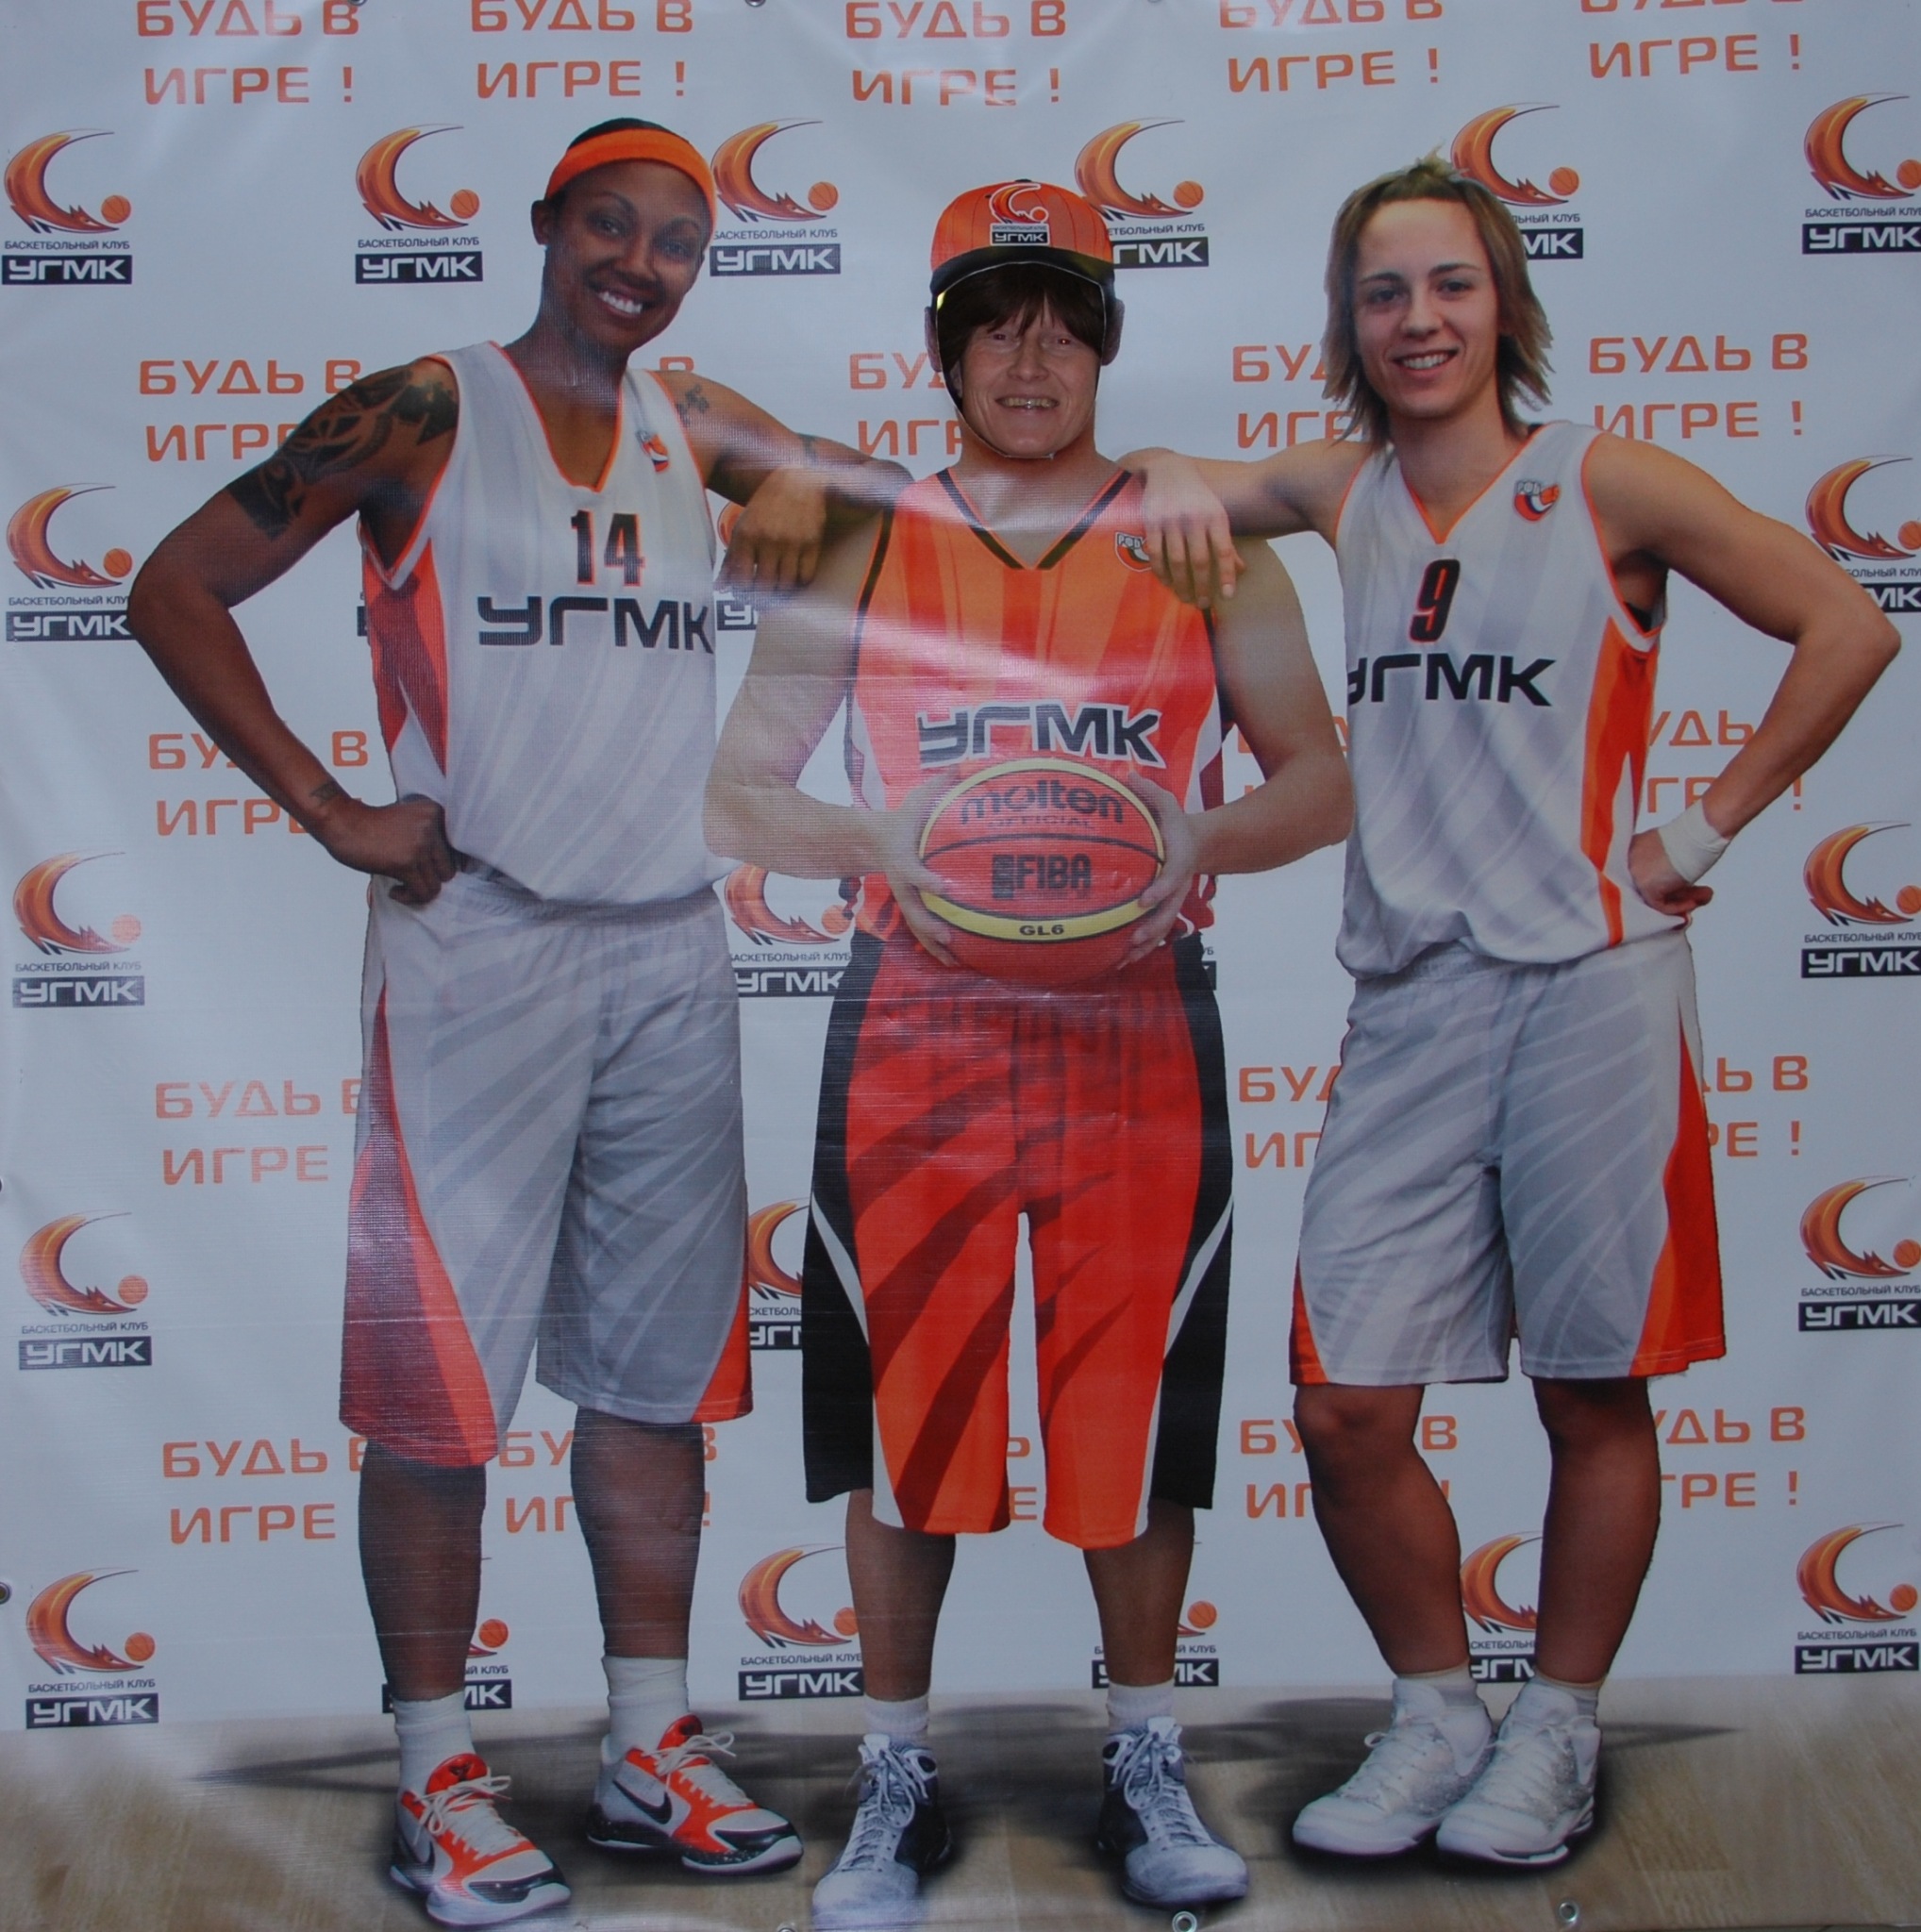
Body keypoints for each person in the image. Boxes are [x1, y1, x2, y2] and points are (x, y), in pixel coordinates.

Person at [127, 118, 904, 1928]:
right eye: (609, 227)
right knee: (439, 1396)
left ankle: (649, 1741)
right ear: (547, 228)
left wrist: (805, 523)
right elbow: (170, 585)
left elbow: (879, 506)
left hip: (669, 949)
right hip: (477, 949)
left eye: (677, 241)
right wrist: (330, 807)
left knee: (654, 1384)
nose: (640, 263)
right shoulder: (423, 409)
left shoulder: (690, 420)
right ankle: (435, 1772)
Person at [1125, 156, 1898, 1867]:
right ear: (1350, 322)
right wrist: (1171, 468)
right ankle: (1436, 1713)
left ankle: (1555, 1729)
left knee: (1590, 1392)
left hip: (1589, 996)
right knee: (1345, 1407)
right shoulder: (1340, 489)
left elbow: (1848, 623)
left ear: (1505, 305)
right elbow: (1156, 493)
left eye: (1451, 284)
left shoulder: (1608, 480)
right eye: (1384, 291)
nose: (1418, 319)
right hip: (1411, 1001)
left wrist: (1702, 829)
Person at [706, 177, 1350, 1926]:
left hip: (1136, 1029)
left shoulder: (1203, 537)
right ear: (946, 348)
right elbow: (741, 791)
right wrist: (880, 840)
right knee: (905, 1423)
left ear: (1108, 339)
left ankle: (1147, 1750)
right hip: (915, 1028)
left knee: (1133, 1418)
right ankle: (891, 1768)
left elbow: (1318, 779)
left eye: (1065, 322)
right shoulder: (864, 538)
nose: (1031, 357)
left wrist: (1199, 839)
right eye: (996, 324)